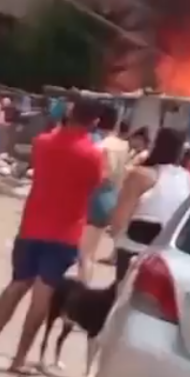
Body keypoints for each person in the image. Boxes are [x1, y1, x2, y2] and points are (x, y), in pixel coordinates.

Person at [0, 98, 103, 374]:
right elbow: (93, 186)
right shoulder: (92, 155)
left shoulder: (42, 142)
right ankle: (19, 359)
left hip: (32, 225)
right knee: (43, 294)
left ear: (70, 112)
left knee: (17, 284)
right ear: (95, 122)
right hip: (65, 232)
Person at [112, 127, 190, 283]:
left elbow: (119, 218)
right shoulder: (186, 178)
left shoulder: (142, 175)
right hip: (164, 255)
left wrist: (116, 244)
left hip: (134, 249)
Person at [79, 105, 129, 283]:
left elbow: (101, 174)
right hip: (112, 198)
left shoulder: (99, 145)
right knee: (90, 252)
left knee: (85, 255)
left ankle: (81, 291)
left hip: (96, 198)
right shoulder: (123, 145)